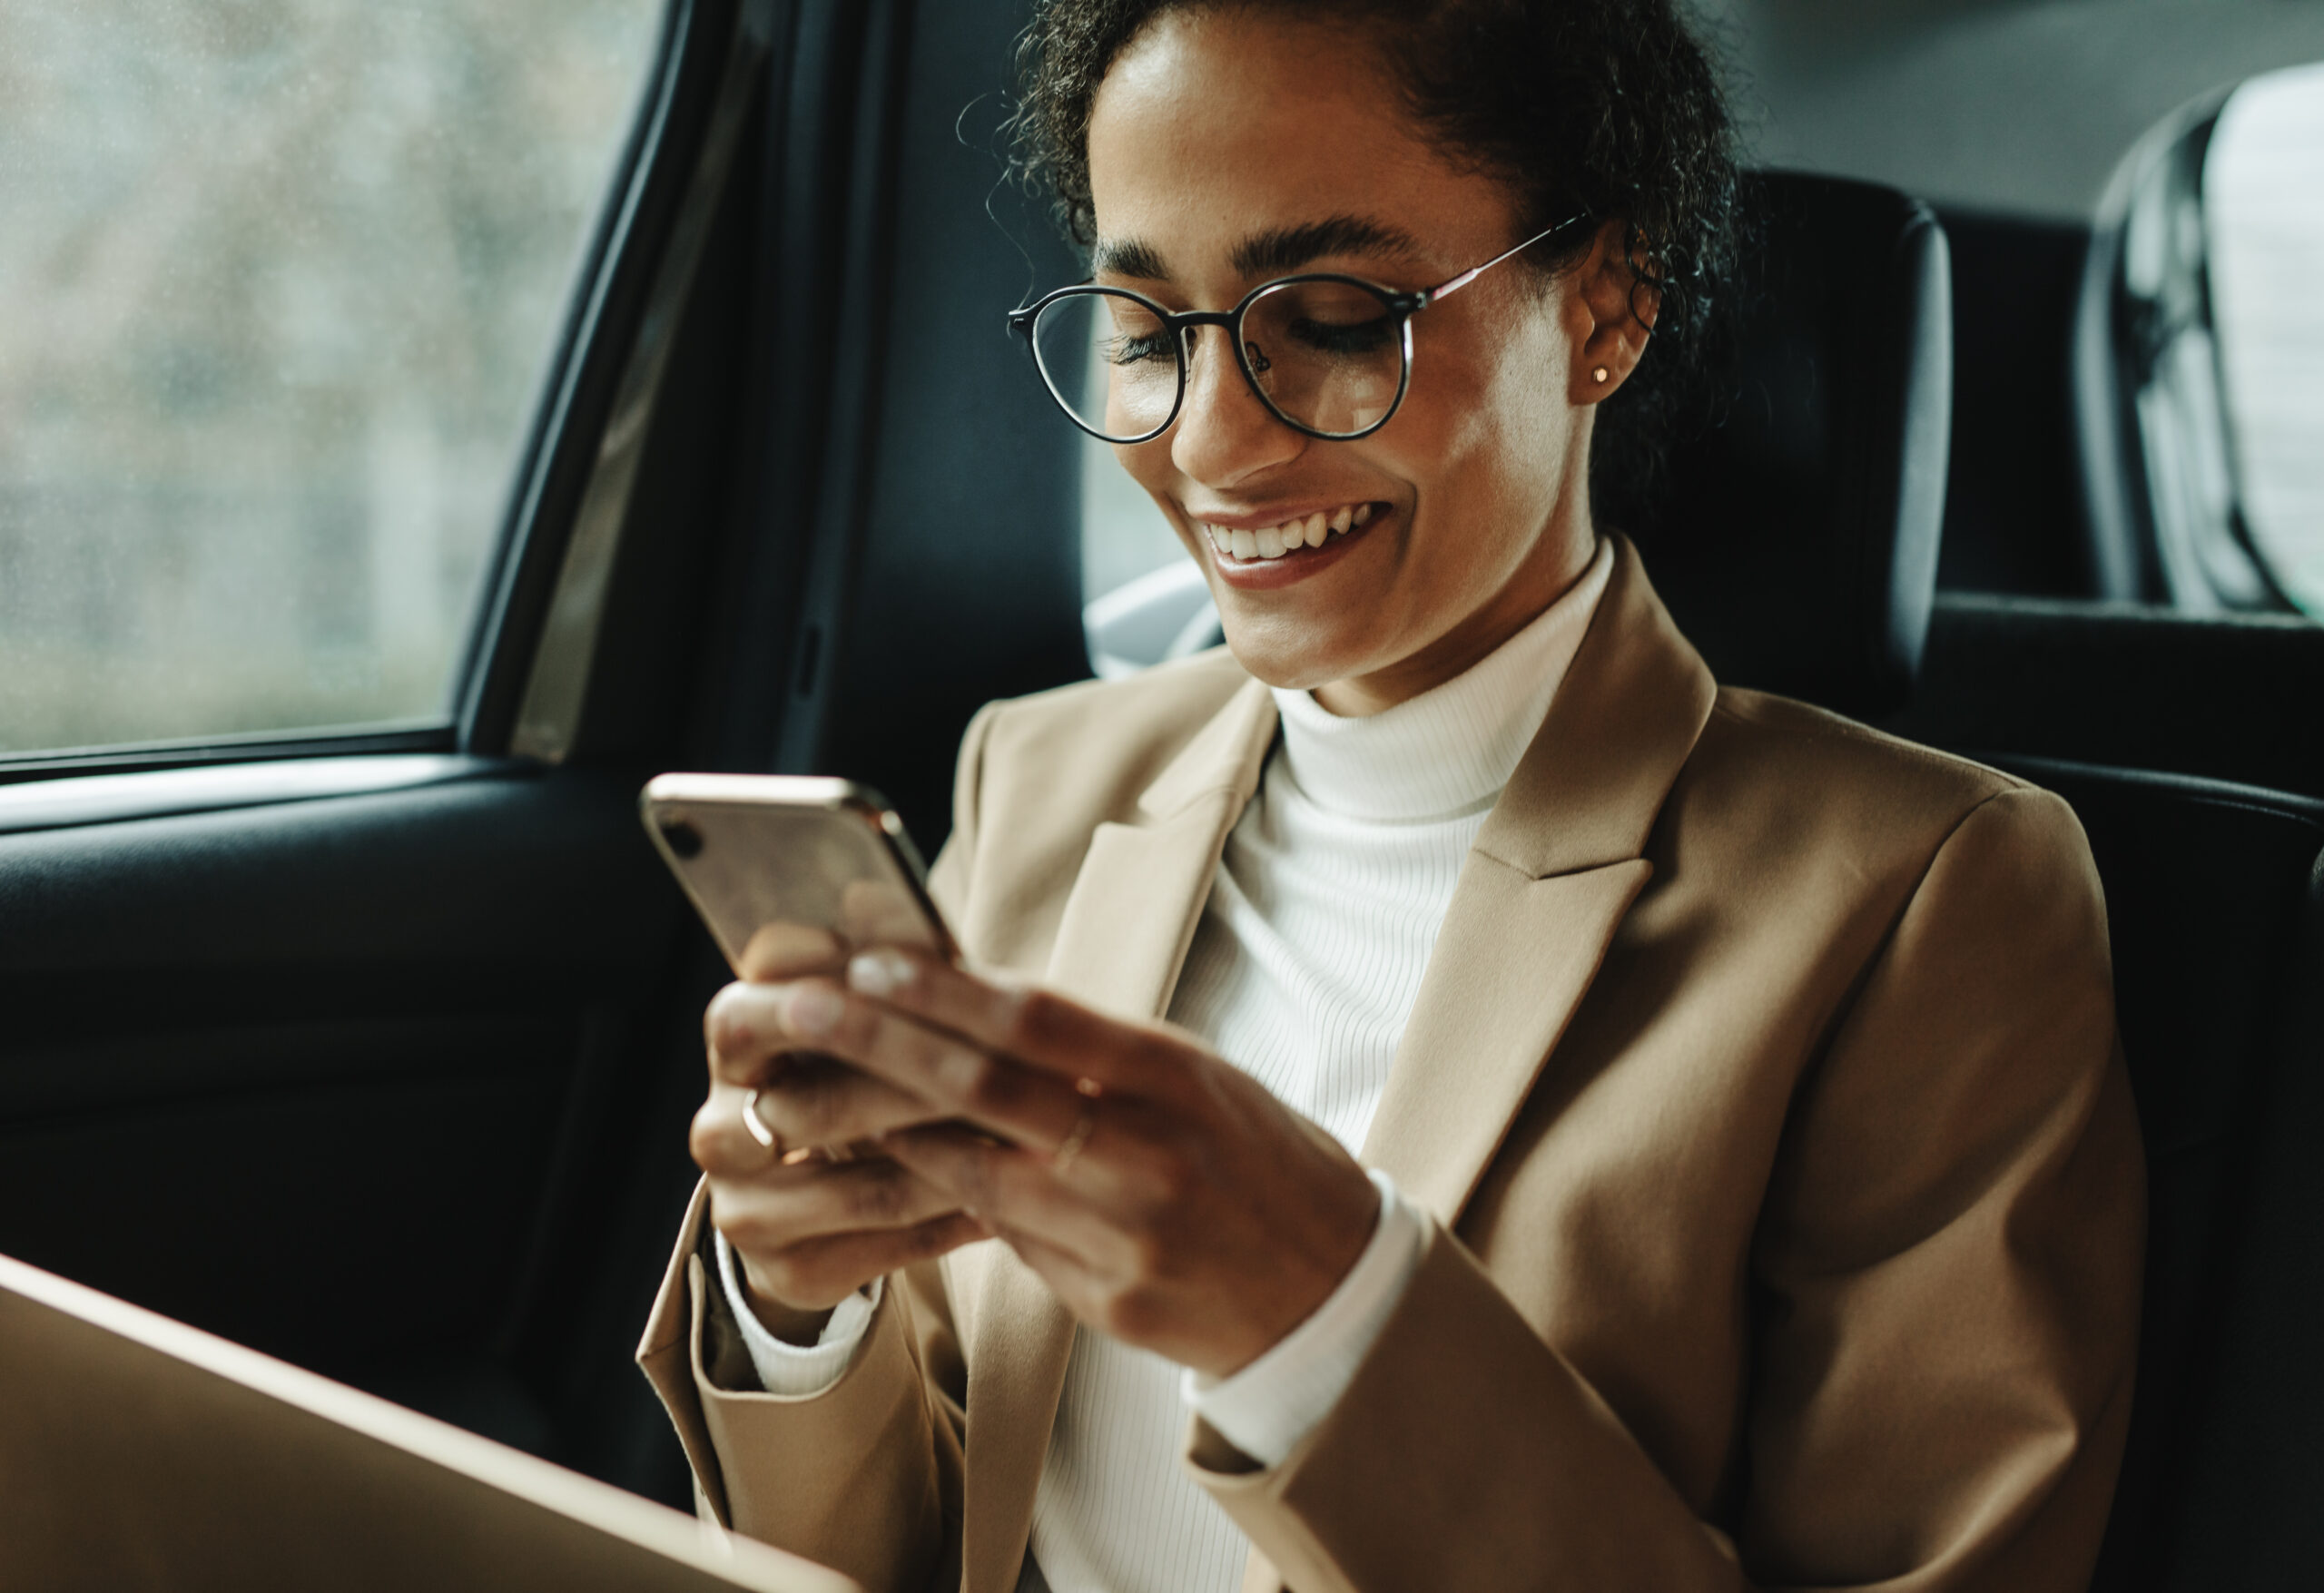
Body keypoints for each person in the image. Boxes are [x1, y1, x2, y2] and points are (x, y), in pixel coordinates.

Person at [637, 2, 2145, 1589]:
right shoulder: (1042, 778)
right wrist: (802, 1315)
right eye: (1150, 334)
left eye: (1342, 319)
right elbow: (925, 1547)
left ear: (1607, 311)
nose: (1213, 445)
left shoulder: (1932, 902)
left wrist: (1324, 1316)